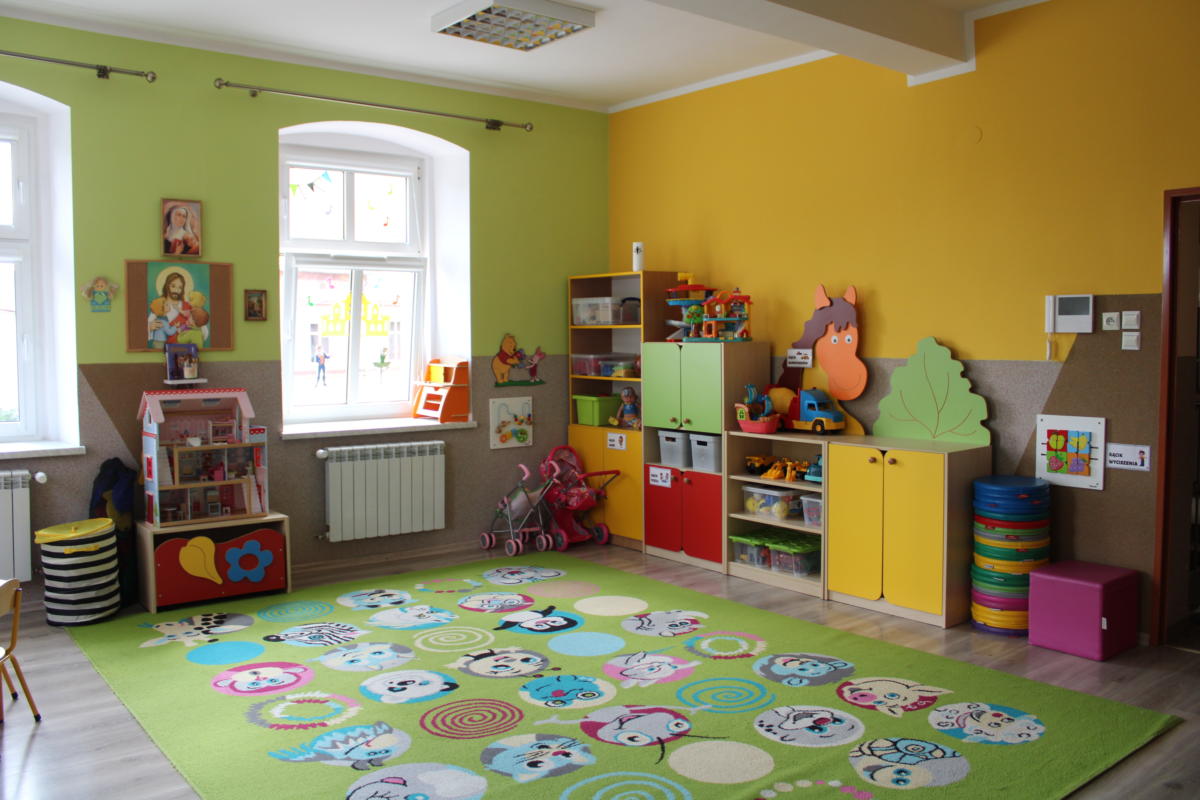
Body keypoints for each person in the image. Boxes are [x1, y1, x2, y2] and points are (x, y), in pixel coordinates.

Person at [147, 271, 208, 346]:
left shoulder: (188, 306)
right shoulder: (159, 304)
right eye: (173, 286)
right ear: (167, 286)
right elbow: (148, 326)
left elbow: (203, 330)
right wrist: (150, 327)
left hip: (185, 348)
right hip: (165, 348)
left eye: (180, 287)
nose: (176, 290)